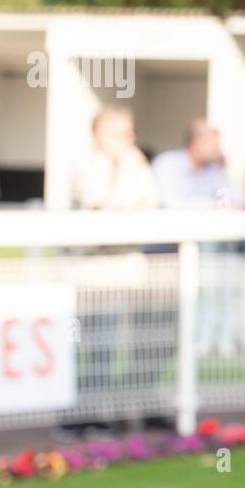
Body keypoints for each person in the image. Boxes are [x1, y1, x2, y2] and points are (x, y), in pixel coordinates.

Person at [63, 108, 165, 437]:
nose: (130, 140)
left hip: (125, 271)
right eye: (121, 133)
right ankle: (76, 416)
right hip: (90, 274)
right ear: (100, 135)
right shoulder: (88, 165)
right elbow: (101, 204)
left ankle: (102, 412)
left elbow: (149, 202)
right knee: (83, 345)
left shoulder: (137, 165)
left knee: (113, 347)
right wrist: (123, 190)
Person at [152, 120, 243, 359]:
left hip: (208, 250)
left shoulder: (215, 172)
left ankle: (214, 341)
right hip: (165, 253)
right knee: (163, 316)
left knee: (220, 290)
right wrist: (213, 207)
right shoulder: (168, 164)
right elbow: (171, 204)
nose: (218, 150)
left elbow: (229, 199)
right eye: (214, 144)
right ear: (197, 143)